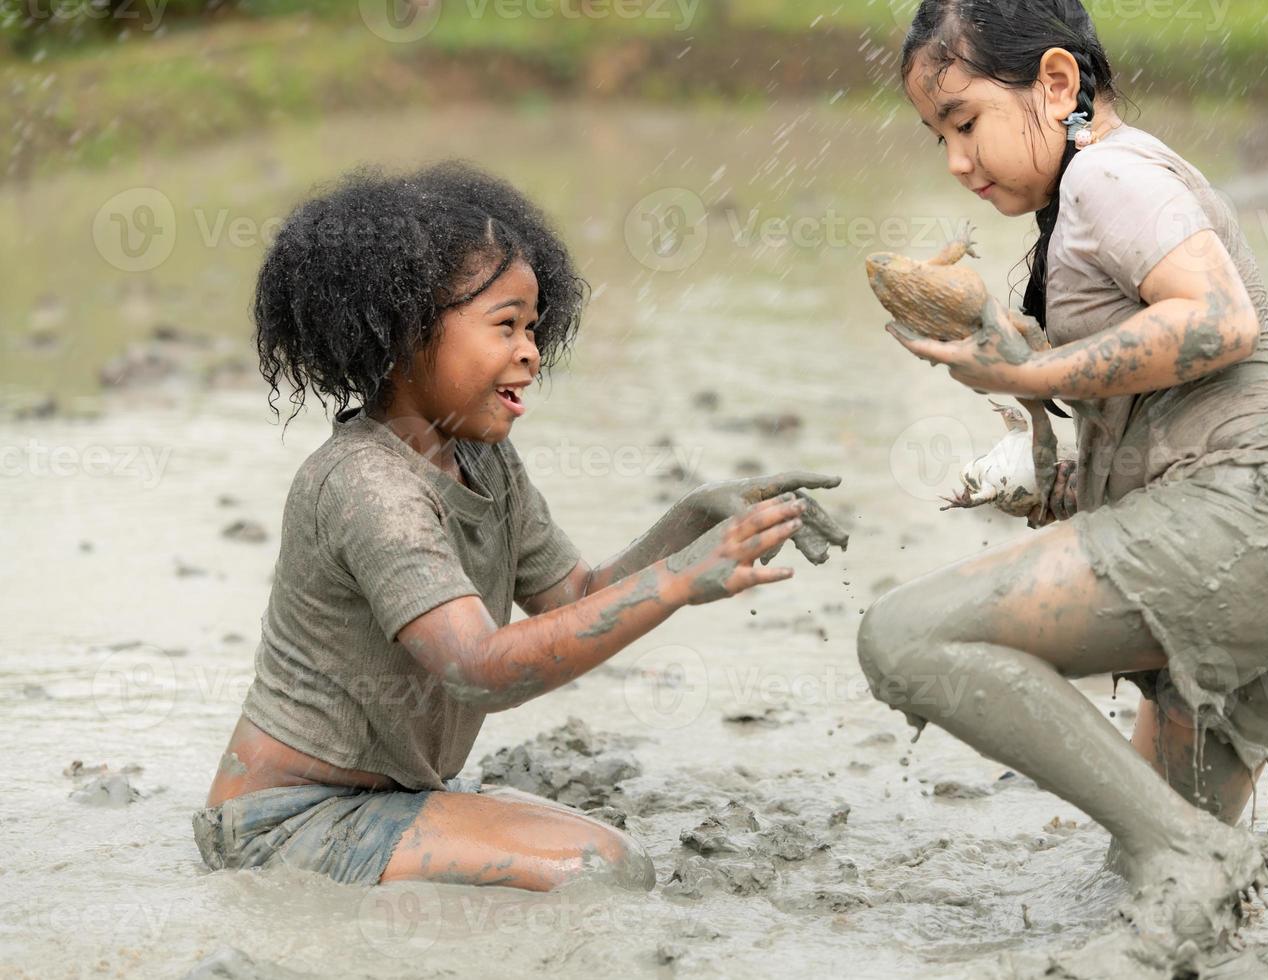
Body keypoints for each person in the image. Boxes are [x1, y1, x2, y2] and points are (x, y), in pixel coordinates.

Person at [856, 0, 1268, 941]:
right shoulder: (1141, 182)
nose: (958, 163)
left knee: (902, 639)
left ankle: (1191, 851)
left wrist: (1030, 372)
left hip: (1243, 525)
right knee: (1151, 890)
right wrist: (1073, 464)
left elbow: (1221, 321)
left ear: (1056, 83)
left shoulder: (1108, 176)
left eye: (966, 122)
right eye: (938, 139)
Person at [193, 162, 848, 891]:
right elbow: (477, 669)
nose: (532, 351)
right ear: (403, 332)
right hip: (285, 824)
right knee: (602, 869)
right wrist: (679, 581)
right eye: (505, 325)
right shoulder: (365, 485)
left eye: (534, 327)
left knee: (604, 858)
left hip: (394, 799)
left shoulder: (482, 460)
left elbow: (573, 598)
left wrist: (694, 522)